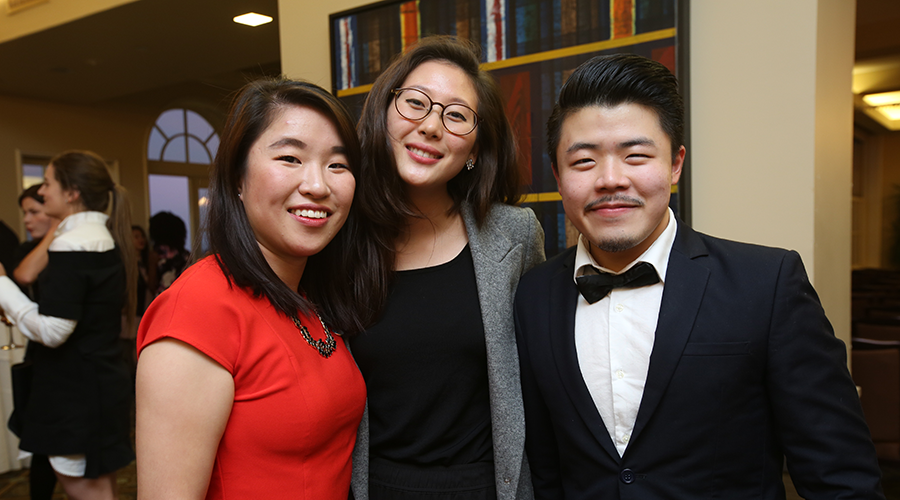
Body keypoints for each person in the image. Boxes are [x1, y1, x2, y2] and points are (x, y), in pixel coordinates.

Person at [513, 53, 884, 499]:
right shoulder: (533, 295)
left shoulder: (767, 284)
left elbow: (840, 477)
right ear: (558, 175)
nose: (610, 180)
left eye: (635, 155)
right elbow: (545, 472)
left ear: (675, 165)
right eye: (584, 162)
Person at [135, 78, 367, 500]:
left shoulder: (309, 294)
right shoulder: (198, 309)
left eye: (337, 164)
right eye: (290, 158)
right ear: (237, 179)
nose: (318, 185)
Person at [349, 36, 545, 500]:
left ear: (475, 148)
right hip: (370, 488)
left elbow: (542, 380)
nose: (431, 127)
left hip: (483, 488)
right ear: (383, 114)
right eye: (415, 103)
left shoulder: (514, 235)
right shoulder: (341, 238)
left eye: (456, 115)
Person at [0, 150, 137, 500]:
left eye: (47, 183)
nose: (42, 191)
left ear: (72, 192)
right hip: (97, 384)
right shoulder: (99, 238)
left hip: (75, 393)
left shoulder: (75, 244)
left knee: (90, 491)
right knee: (101, 489)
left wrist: (2, 288)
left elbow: (54, 331)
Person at [9, 184, 60, 500]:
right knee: (38, 440)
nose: (27, 220)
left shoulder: (68, 248)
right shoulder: (22, 251)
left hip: (62, 355)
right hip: (36, 353)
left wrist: (56, 228)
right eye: (25, 213)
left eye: (35, 212)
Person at [148, 211, 189, 295]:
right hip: (183, 297)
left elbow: (152, 285)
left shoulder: (156, 254)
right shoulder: (186, 255)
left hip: (163, 300)